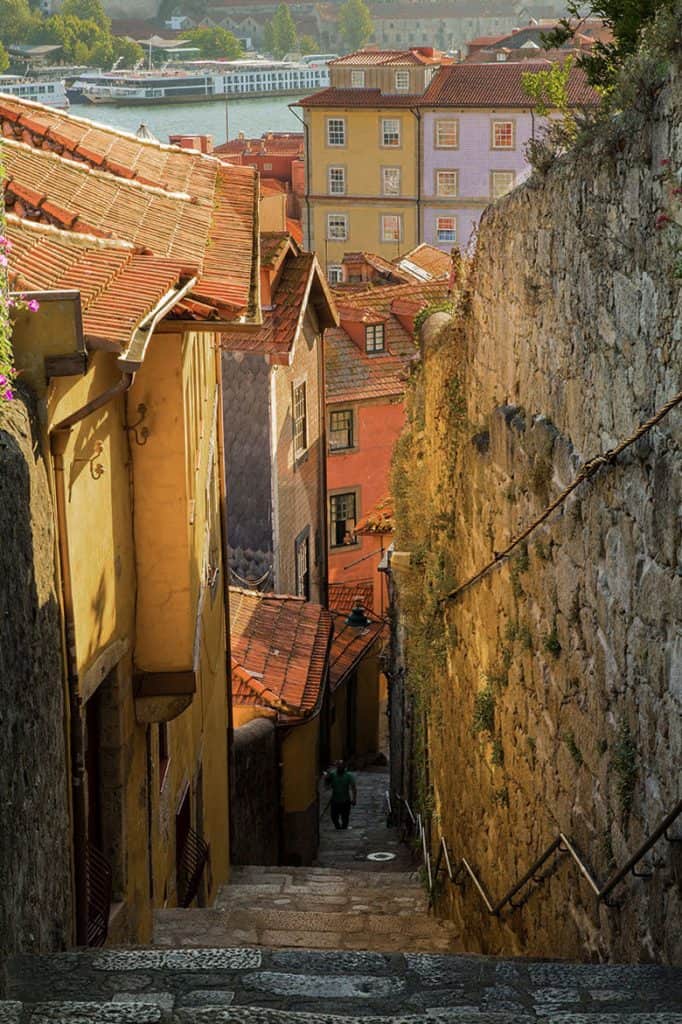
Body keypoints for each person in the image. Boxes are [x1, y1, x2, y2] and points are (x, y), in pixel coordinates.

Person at [324, 760, 357, 830]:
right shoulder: (333, 774)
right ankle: (338, 828)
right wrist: (326, 777)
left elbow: (353, 787)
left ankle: (343, 829)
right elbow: (326, 784)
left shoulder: (348, 776)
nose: (340, 767)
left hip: (345, 800)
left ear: (344, 767)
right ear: (337, 767)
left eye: (341, 766)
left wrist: (354, 799)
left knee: (345, 817)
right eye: (339, 766)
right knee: (333, 816)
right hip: (335, 800)